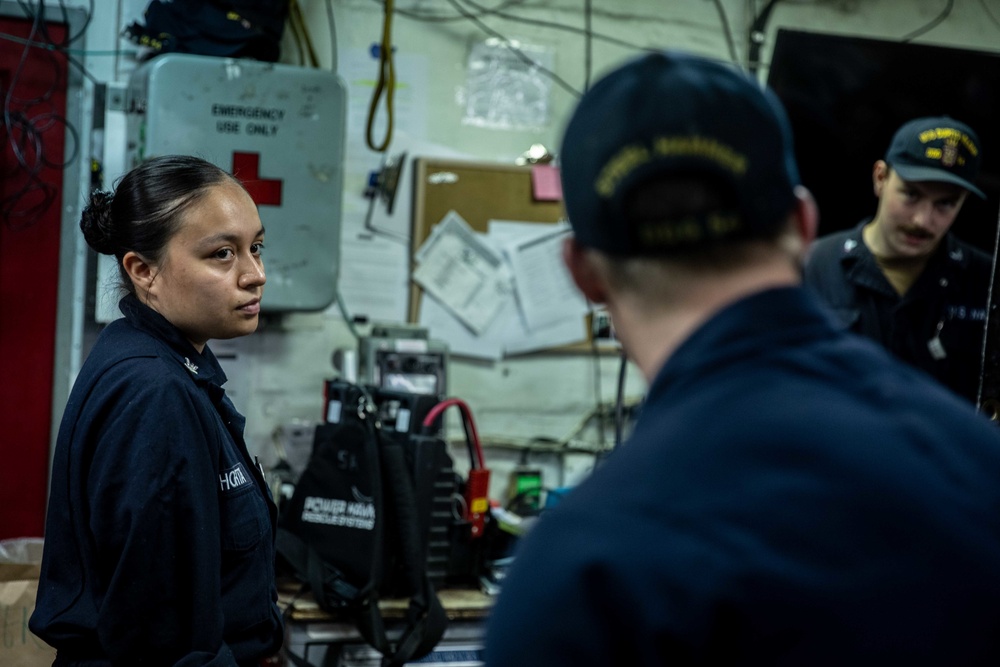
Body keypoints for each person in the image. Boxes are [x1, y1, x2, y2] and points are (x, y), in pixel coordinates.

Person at [483, 51, 1000, 666]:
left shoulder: (581, 576)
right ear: (804, 225)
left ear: (583, 274)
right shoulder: (978, 471)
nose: (924, 217)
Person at [30, 155, 283, 666]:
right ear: (144, 271)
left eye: (255, 248)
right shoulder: (154, 392)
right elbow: (160, 637)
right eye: (221, 255)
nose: (254, 274)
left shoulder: (159, 360)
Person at [803, 116, 991, 404]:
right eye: (911, 194)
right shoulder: (813, 267)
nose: (922, 220)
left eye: (945, 203)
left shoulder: (986, 282)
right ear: (880, 178)